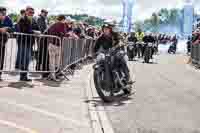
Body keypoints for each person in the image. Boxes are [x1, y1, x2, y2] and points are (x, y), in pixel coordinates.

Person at [15, 6, 39, 81]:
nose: (31, 14)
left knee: (27, 60)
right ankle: (22, 76)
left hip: (30, 42)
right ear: (26, 12)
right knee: (23, 59)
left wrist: (37, 31)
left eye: (33, 13)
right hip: (23, 42)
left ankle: (24, 76)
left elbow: (37, 28)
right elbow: (24, 30)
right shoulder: (22, 19)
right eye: (30, 12)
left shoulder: (33, 20)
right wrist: (34, 32)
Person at [0, 7, 13, 81]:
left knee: (1, 59)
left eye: (5, 14)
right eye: (2, 14)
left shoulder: (8, 19)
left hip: (2, 42)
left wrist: (7, 29)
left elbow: (13, 28)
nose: (4, 16)